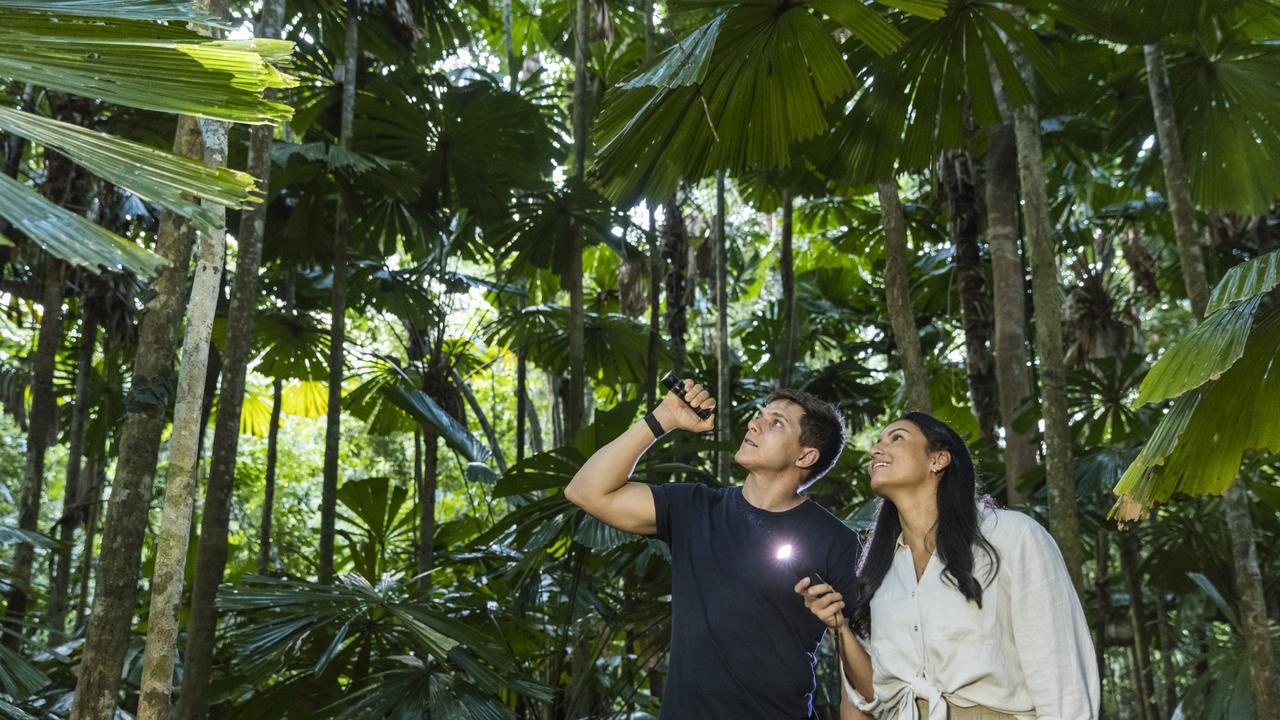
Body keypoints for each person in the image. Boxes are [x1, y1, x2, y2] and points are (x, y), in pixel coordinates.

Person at [565, 379, 862, 718]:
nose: (754, 423)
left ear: (806, 455)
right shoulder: (693, 507)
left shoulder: (836, 540)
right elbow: (586, 491)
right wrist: (663, 417)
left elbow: (863, 664)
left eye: (776, 422)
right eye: (760, 414)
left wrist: (839, 628)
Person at [798, 412, 1100, 719]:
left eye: (897, 437)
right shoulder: (881, 570)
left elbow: (1057, 668)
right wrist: (838, 629)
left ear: (938, 460)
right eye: (877, 442)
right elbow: (875, 693)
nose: (876, 449)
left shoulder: (1013, 536)